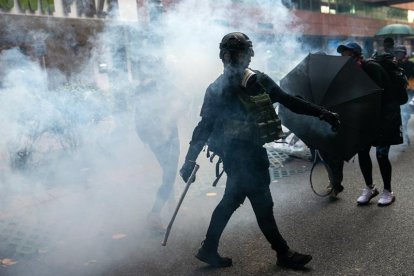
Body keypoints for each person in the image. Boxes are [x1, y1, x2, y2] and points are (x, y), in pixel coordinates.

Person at [179, 32, 340, 269]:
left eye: (246, 53)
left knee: (232, 201)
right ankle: (283, 253)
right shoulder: (217, 88)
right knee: (261, 202)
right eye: (239, 53)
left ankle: (209, 248)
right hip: (238, 155)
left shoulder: (257, 80)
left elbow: (288, 100)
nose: (244, 58)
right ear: (225, 56)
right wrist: (189, 159)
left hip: (249, 152)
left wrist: (322, 113)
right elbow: (204, 126)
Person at [337, 42, 404, 206]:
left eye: (348, 56)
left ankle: (388, 191)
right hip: (366, 117)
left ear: (357, 56)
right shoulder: (351, 73)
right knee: (362, 151)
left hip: (385, 116)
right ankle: (369, 188)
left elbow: (378, 96)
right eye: (342, 56)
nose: (344, 59)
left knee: (381, 155)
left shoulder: (372, 68)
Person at [134, 55, 180, 230]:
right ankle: (154, 214)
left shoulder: (157, 85)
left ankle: (171, 206)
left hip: (166, 134)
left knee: (170, 172)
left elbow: (184, 97)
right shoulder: (149, 87)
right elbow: (140, 115)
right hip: (159, 136)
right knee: (169, 173)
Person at [395, 45, 414, 145]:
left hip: (408, 93)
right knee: (399, 116)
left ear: (404, 54)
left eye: (401, 53)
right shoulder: (393, 65)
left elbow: (412, 78)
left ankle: (404, 136)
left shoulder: (410, 64)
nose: (399, 55)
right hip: (396, 94)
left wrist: (409, 85)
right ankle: (403, 135)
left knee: (405, 115)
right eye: (397, 53)